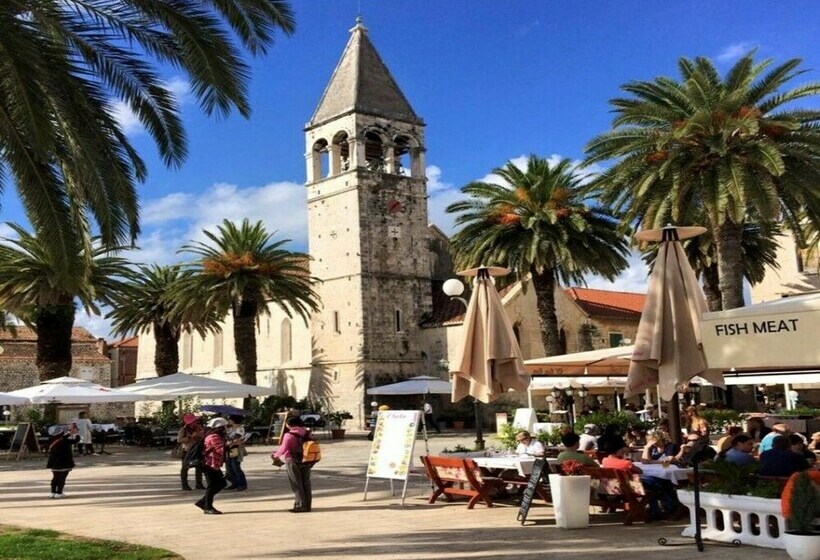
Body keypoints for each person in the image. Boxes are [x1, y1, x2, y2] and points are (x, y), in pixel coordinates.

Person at [273, 417, 313, 513]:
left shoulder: (288, 435)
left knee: (296, 483)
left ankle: (300, 505)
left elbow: (283, 449)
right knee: (306, 483)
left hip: (292, 460)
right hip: (306, 460)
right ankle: (307, 505)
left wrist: (274, 455)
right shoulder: (307, 433)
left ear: (289, 425)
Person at [195, 417, 228, 515]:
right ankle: (207, 507)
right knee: (212, 486)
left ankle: (203, 502)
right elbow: (220, 449)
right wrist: (233, 443)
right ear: (220, 428)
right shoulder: (214, 437)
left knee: (222, 483)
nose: (226, 429)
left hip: (214, 465)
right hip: (209, 464)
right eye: (225, 427)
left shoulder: (215, 436)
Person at [47, 424, 79, 498]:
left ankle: (52, 492)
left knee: (55, 477)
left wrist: (70, 433)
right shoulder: (64, 441)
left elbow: (62, 438)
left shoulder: (51, 439)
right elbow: (76, 440)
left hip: (54, 462)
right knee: (62, 477)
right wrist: (76, 433)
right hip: (64, 462)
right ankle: (59, 493)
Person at [178, 413, 204, 491]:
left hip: (196, 449)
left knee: (199, 467)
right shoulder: (183, 429)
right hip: (187, 450)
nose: (195, 423)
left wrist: (199, 435)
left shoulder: (198, 428)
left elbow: (202, 436)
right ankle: (185, 485)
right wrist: (190, 437)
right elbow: (179, 440)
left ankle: (199, 484)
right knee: (185, 468)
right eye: (193, 421)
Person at [225, 415, 248, 491]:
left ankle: (242, 484)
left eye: (230, 419)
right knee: (229, 468)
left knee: (236, 467)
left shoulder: (240, 428)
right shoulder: (229, 428)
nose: (228, 421)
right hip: (229, 448)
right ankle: (234, 483)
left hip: (236, 449)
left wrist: (230, 441)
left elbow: (236, 438)